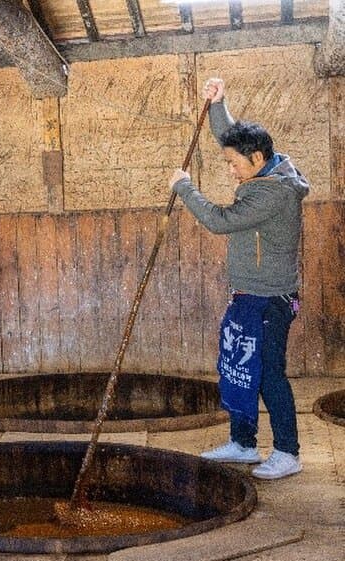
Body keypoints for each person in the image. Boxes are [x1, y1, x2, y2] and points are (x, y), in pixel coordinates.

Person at [169, 78, 309, 480]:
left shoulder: (272, 193)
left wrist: (184, 188)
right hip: (248, 295)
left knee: (268, 374)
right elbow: (229, 138)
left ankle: (288, 451)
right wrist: (219, 102)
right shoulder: (265, 169)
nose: (230, 170)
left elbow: (218, 220)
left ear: (258, 157)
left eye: (234, 164)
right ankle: (244, 444)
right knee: (238, 368)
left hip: (270, 299)